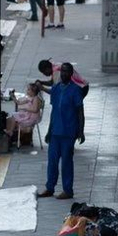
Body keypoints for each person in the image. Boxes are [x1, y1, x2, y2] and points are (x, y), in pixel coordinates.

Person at [38, 63, 86, 200]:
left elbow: (80, 112)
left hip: (68, 132)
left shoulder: (76, 90)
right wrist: (49, 130)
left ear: (71, 74)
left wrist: (81, 131)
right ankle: (49, 187)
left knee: (66, 162)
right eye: (62, 71)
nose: (64, 74)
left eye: (66, 72)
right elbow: (54, 111)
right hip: (55, 132)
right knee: (52, 161)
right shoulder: (56, 88)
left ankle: (67, 190)